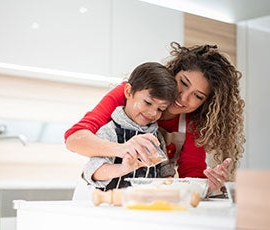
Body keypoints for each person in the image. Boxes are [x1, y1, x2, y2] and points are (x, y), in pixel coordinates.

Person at [65, 42, 245, 194]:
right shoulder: (133, 92)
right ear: (173, 72)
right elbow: (75, 139)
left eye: (197, 96)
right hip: (100, 195)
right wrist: (123, 149)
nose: (183, 97)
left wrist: (208, 186)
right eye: (182, 83)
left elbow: (190, 174)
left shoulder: (193, 122)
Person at [81, 62, 177, 191]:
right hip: (113, 205)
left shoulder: (157, 136)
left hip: (147, 205)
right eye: (148, 103)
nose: (153, 113)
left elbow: (165, 170)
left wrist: (170, 183)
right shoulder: (109, 132)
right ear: (128, 91)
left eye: (161, 109)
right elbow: (94, 171)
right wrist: (122, 168)